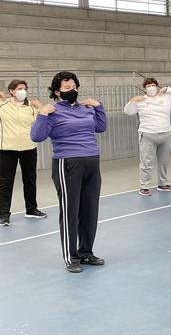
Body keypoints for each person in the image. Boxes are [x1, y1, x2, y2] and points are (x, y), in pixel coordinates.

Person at [30, 71, 107, 273]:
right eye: (66, 88)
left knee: (90, 210)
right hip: (67, 164)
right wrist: (42, 114)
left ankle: (86, 252)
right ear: (57, 92)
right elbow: (37, 136)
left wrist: (98, 107)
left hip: (92, 162)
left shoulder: (85, 108)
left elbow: (101, 126)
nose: (71, 90)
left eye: (73, 87)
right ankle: (71, 257)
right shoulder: (53, 110)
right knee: (71, 211)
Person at [123, 78, 171, 196]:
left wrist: (167, 89)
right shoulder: (140, 100)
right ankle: (144, 186)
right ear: (145, 88)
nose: (151, 87)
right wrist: (132, 100)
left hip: (165, 133)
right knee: (146, 162)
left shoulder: (165, 97)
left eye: (153, 85)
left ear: (156, 86)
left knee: (164, 161)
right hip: (148, 134)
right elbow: (127, 111)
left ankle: (162, 183)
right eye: (148, 86)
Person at [0, 80, 47, 226]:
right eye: (19, 88)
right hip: (7, 149)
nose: (23, 91)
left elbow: (48, 114)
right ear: (12, 91)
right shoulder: (2, 106)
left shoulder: (31, 107)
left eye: (25, 88)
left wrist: (41, 106)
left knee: (30, 180)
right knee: (5, 183)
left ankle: (31, 210)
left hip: (29, 148)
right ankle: (3, 215)